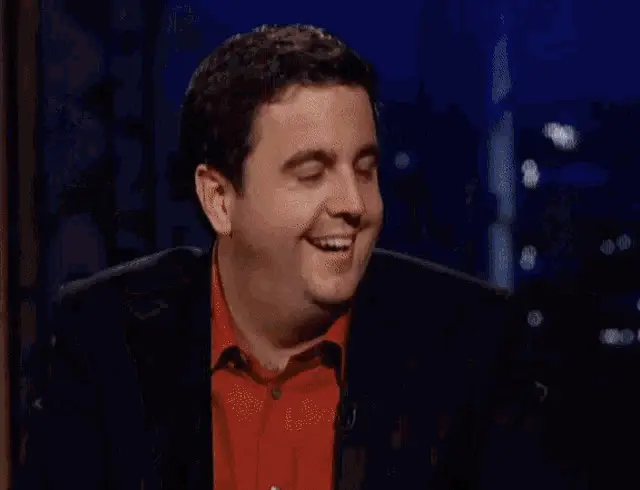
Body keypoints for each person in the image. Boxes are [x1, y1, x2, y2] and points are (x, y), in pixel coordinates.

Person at [19, 24, 558, 490]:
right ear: (219, 199)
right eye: (312, 173)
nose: (353, 204)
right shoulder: (107, 338)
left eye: (365, 170)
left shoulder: (472, 345)